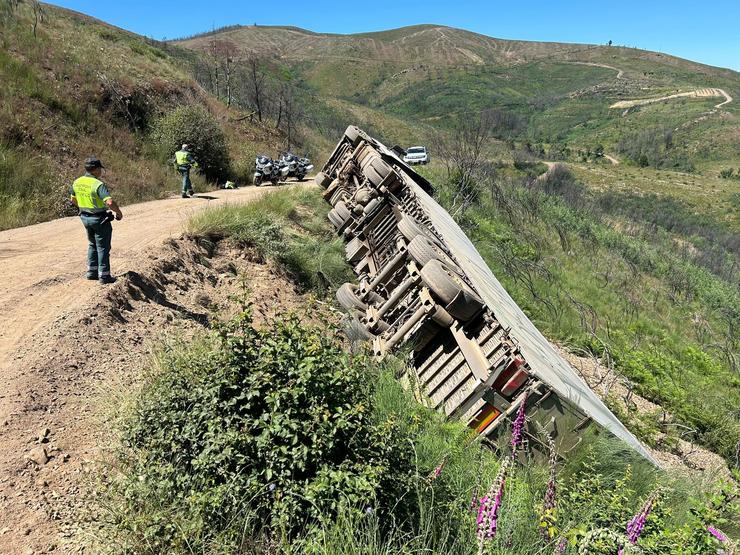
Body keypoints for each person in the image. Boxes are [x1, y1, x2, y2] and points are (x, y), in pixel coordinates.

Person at [70, 157, 123, 284]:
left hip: (85, 217)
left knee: (92, 244)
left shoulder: (77, 182)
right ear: (96, 170)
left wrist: (82, 208)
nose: (101, 172)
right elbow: (109, 202)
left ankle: (91, 272)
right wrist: (118, 212)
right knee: (103, 247)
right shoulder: (98, 184)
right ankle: (104, 276)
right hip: (99, 218)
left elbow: (73, 199)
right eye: (100, 169)